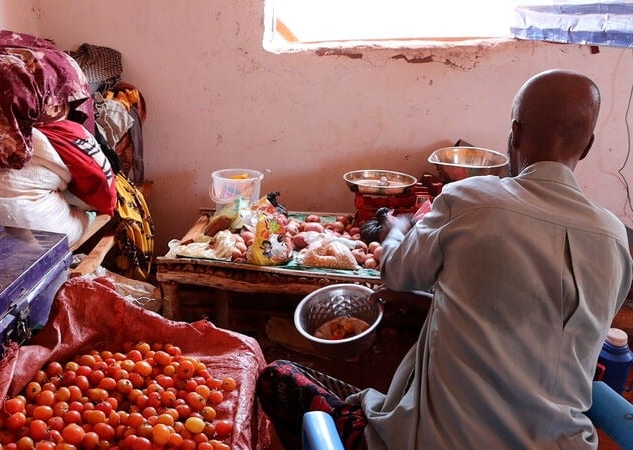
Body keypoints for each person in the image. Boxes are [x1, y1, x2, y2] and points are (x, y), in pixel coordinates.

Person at [257, 69, 633, 449]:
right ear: (587, 147)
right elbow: (543, 316)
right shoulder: (615, 239)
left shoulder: (470, 200)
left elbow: (397, 271)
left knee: (279, 378)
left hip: (441, 441)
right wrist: (442, 301)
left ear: (515, 133)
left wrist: (397, 231)